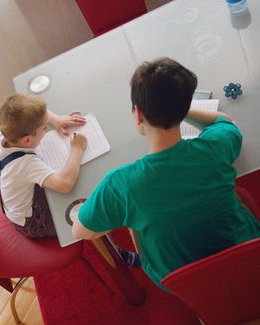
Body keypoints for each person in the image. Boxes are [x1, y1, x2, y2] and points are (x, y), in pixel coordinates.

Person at [72, 57, 260, 289]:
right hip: (248, 256)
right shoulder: (216, 148)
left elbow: (81, 231)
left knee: (136, 224)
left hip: (183, 282)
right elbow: (225, 121)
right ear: (182, 110)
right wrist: (178, 107)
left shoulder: (120, 185)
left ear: (138, 114)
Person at [0, 93, 87, 238]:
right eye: (44, 128)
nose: (46, 128)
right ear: (27, 141)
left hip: (18, 204)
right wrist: (77, 148)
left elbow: (40, 113)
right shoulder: (25, 164)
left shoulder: (4, 135)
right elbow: (65, 184)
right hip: (34, 222)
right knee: (85, 216)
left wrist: (56, 119)